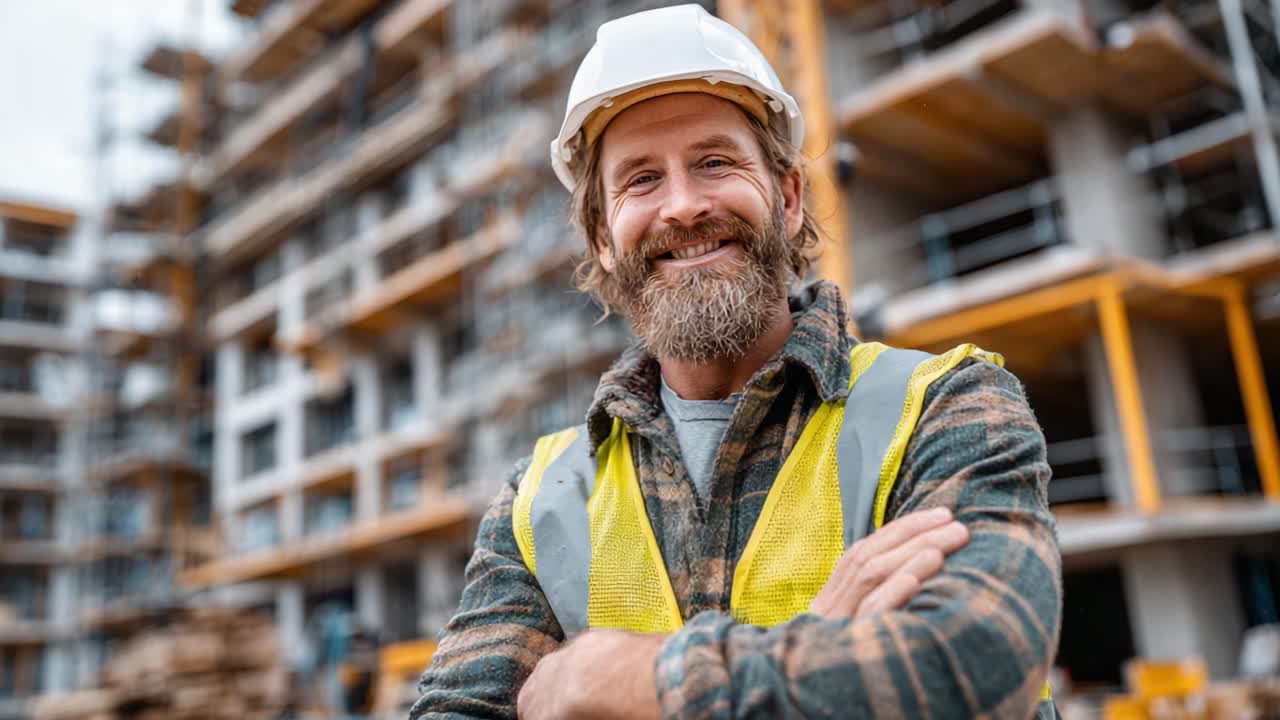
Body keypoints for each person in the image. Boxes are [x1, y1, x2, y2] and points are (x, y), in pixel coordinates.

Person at [411, 4, 1061, 719]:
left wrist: (612, 680)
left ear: (786, 198)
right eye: (641, 180)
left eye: (714, 163)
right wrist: (820, 653)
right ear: (602, 236)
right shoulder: (540, 500)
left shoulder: (949, 406)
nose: (684, 207)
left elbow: (979, 666)